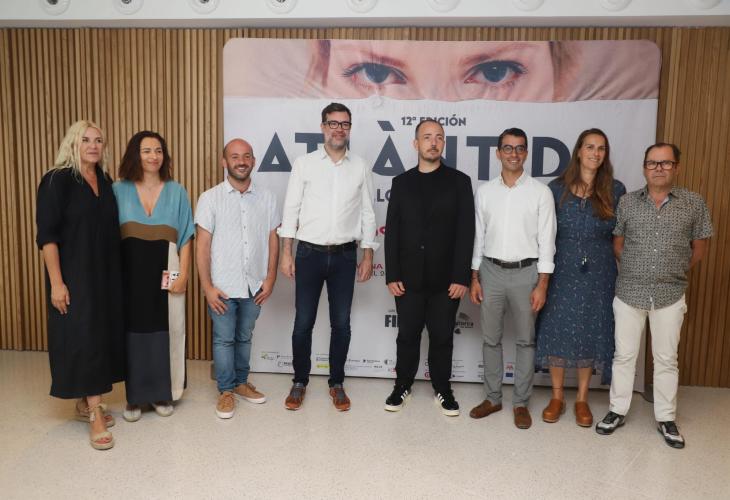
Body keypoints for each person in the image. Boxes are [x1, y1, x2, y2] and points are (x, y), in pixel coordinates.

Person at [596, 143, 712, 449]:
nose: (659, 168)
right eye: (652, 163)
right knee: (624, 356)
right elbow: (618, 244)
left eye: (665, 163)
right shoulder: (627, 202)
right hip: (629, 292)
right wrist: (638, 270)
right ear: (644, 167)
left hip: (669, 293)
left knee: (666, 359)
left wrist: (670, 271)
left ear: (676, 167)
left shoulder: (694, 203)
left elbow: (699, 249)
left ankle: (666, 417)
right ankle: (617, 410)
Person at [278, 102, 378, 411]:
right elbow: (291, 209)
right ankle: (299, 381)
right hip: (308, 254)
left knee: (342, 324)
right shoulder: (304, 164)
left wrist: (368, 254)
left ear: (350, 128)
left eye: (344, 124)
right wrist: (286, 253)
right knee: (303, 323)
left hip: (345, 256)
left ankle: (337, 383)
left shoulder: (360, 166)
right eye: (333, 123)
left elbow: (368, 213)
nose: (338, 129)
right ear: (323, 127)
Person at [36, 120, 124, 450]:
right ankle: (95, 413)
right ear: (72, 143)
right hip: (74, 275)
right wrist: (56, 283)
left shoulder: (105, 180)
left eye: (98, 140)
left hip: (104, 276)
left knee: (98, 337)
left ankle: (84, 402)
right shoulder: (56, 180)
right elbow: (47, 237)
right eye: (86, 139)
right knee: (85, 339)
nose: (93, 146)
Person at [535, 129, 626, 427]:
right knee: (557, 327)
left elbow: (620, 235)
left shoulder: (615, 190)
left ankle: (582, 399)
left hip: (600, 270)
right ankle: (557, 397)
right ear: (578, 151)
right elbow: (545, 234)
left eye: (601, 148)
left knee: (590, 329)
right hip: (561, 266)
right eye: (590, 147)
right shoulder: (556, 188)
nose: (595, 153)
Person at [383, 119, 474, 416]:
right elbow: (393, 232)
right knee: (407, 335)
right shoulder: (401, 183)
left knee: (442, 337)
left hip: (446, 281)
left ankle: (443, 389)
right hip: (407, 279)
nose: (433, 142)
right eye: (427, 137)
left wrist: (461, 276)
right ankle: (402, 386)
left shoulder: (460, 182)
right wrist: (392, 274)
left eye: (439, 137)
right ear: (416, 144)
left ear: (443, 143)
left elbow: (466, 233)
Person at [469, 127, 556, 429]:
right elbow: (478, 237)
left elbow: (547, 242)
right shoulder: (485, 192)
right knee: (490, 339)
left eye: (520, 148)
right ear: (498, 153)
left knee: (525, 342)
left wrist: (542, 284)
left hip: (526, 273)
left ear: (526, 153)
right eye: (508, 148)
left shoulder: (541, 193)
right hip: (490, 271)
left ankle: (520, 403)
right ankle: (493, 398)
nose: (514, 154)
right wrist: (475, 277)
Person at [195, 139, 280, 419]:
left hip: (254, 284)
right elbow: (202, 246)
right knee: (224, 340)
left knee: (244, 337)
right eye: (234, 156)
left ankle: (241, 383)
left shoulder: (267, 198)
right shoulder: (210, 198)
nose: (241, 161)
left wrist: (270, 278)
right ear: (224, 162)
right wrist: (207, 287)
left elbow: (273, 239)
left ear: (253, 161)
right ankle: (226, 391)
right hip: (222, 286)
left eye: (246, 156)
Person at [113, 131, 194, 422]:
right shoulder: (118, 189)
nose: (153, 156)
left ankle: (162, 393)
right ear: (135, 154)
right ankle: (134, 397)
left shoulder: (177, 191)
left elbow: (186, 236)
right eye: (146, 150)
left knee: (166, 331)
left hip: (166, 270)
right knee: (133, 333)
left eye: (158, 150)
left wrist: (184, 274)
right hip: (129, 275)